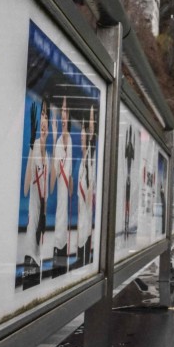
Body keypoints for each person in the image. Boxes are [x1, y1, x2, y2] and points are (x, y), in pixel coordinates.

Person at [20, 100, 48, 288]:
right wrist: (31, 148)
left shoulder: (49, 153)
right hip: (32, 236)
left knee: (36, 286)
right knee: (29, 284)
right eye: (42, 115)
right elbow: (25, 188)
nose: (44, 119)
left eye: (46, 115)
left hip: (41, 233)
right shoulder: (35, 146)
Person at [51, 97, 72, 275]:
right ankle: (58, 261)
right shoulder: (59, 139)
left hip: (64, 192)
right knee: (59, 218)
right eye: (62, 110)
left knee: (62, 220)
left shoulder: (66, 138)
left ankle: (60, 262)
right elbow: (55, 171)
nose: (63, 113)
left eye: (66, 111)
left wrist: (59, 129)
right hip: (60, 190)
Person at [76, 105, 96, 267]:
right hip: (81, 207)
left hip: (87, 207)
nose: (82, 139)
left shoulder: (91, 158)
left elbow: (92, 132)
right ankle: (80, 257)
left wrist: (91, 113)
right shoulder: (81, 162)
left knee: (85, 227)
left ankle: (85, 258)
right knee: (80, 228)